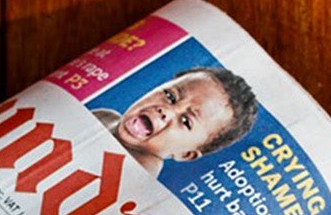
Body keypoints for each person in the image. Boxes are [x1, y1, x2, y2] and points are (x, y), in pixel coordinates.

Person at [92, 65, 259, 176]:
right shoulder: (106, 116)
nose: (167, 111)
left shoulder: (139, 171)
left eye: (186, 121)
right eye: (171, 96)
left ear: (185, 153)